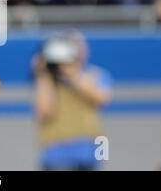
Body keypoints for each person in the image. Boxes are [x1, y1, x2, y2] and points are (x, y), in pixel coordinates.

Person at [32, 31, 112, 171]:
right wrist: (43, 74)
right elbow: (43, 112)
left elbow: (102, 99)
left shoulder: (95, 74)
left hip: (88, 152)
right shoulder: (47, 79)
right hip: (55, 153)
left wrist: (73, 75)